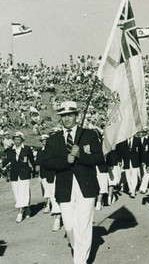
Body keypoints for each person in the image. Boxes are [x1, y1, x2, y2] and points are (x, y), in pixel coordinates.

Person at [43, 101, 104, 264]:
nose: (67, 119)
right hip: (65, 187)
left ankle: (79, 261)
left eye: (70, 115)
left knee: (83, 223)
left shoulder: (89, 135)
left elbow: (99, 157)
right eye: (63, 116)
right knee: (69, 225)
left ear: (77, 116)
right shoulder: (53, 139)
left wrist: (80, 156)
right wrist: (65, 160)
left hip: (86, 185)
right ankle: (80, 254)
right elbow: (46, 162)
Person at [2, 132, 35, 223]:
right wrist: (1, 164)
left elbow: (32, 160)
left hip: (24, 174)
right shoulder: (10, 150)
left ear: (22, 140)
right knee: (16, 193)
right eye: (15, 139)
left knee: (23, 192)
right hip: (14, 175)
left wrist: (34, 170)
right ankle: (26, 208)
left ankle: (19, 213)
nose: (16, 141)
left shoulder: (27, 149)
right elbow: (7, 160)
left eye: (18, 139)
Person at [36, 134, 61, 231]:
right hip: (49, 175)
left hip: (62, 176)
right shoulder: (44, 152)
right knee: (53, 195)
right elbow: (41, 164)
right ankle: (57, 219)